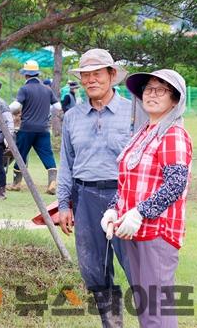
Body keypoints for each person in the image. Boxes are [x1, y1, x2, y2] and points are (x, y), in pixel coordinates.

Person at [103, 69, 192, 328]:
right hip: (135, 230)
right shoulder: (145, 131)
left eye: (161, 90)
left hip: (157, 232)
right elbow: (128, 180)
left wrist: (140, 212)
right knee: (146, 306)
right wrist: (113, 210)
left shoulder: (172, 134)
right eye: (148, 89)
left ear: (175, 100)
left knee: (157, 311)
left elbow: (175, 184)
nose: (152, 94)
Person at [57, 48, 133, 327]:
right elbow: (66, 162)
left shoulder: (133, 112)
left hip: (126, 198)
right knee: (94, 271)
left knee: (137, 267)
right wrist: (64, 204)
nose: (91, 80)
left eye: (97, 74)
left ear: (111, 76)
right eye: (85, 75)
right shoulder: (73, 117)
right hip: (86, 196)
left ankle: (153, 321)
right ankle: (112, 324)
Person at [7, 60, 59, 195]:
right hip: (43, 129)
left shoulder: (24, 89)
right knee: (47, 154)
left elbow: (16, 106)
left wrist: (7, 111)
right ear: (37, 74)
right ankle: (52, 182)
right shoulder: (47, 89)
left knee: (21, 154)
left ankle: (16, 183)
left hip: (27, 128)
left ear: (26, 75)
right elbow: (57, 107)